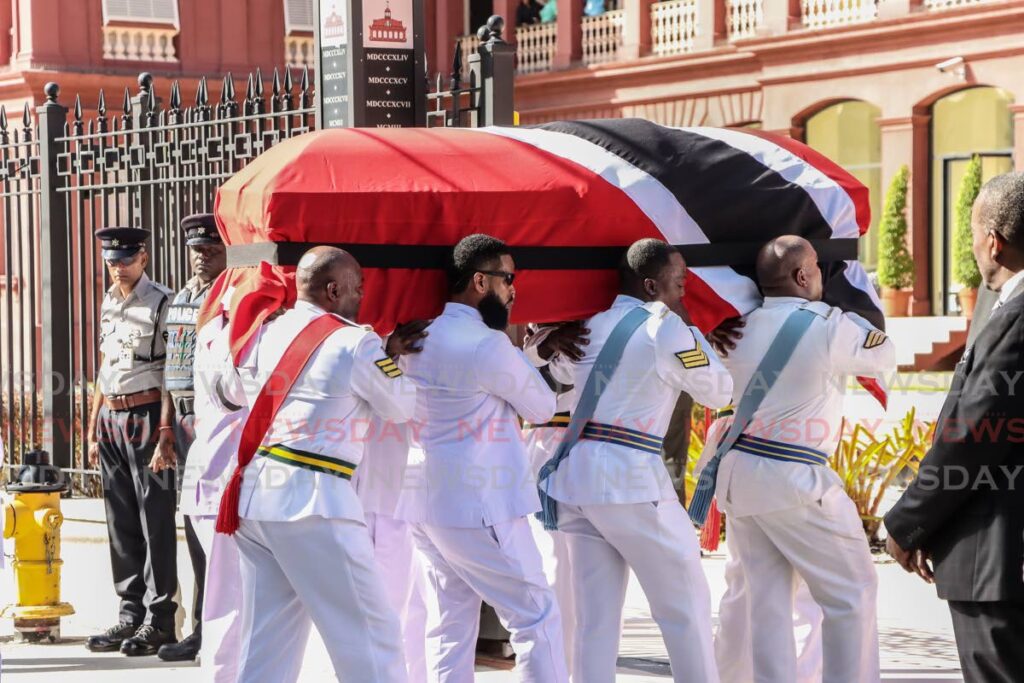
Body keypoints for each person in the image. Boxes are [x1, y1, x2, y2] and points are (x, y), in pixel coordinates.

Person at [214, 246, 419, 682]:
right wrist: (387, 354)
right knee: (372, 634)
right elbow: (401, 406)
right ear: (334, 290)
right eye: (358, 289)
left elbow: (226, 391)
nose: (361, 298)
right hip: (314, 502)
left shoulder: (262, 332)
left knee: (267, 642)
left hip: (256, 497)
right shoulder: (354, 341)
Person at [536, 238, 733, 683]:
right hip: (629, 481)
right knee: (685, 607)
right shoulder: (667, 327)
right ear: (651, 284)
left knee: (595, 623)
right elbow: (719, 391)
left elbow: (557, 375)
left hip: (576, 482)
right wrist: (693, 328)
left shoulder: (592, 323)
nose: (684, 291)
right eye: (678, 283)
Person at [705, 235, 893, 683]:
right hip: (795, 480)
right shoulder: (829, 325)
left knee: (766, 605)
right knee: (852, 593)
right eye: (818, 270)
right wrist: (846, 297)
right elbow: (884, 353)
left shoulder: (734, 329)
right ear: (803, 275)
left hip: (740, 478)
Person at [394, 233, 569, 682]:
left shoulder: (414, 337)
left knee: (449, 625)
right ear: (479, 281)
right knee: (536, 617)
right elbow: (543, 408)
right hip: (480, 505)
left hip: (423, 501)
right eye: (508, 278)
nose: (513, 290)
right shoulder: (488, 345)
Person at [884, 172, 1024, 681]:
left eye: (971, 235)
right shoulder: (1003, 305)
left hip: (1000, 561)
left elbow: (973, 433)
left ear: (993, 241)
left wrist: (907, 524)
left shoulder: (1016, 317)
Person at [85, 227, 178, 656]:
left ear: (142, 257)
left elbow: (169, 376)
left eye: (124, 260)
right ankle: (129, 613)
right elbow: (105, 365)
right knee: (120, 517)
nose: (117, 268)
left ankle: (160, 618)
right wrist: (92, 426)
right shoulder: (109, 301)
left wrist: (164, 432)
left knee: (153, 516)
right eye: (111, 261)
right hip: (111, 416)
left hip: (145, 414)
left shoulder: (162, 302)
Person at [149, 213, 226, 662]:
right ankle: (199, 628)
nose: (202, 258)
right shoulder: (183, 297)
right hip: (181, 419)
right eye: (197, 251)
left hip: (211, 419)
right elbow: (168, 373)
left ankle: (211, 629)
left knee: (214, 528)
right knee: (192, 525)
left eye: (211, 250)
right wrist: (165, 429)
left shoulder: (229, 296)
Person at [353, 318, 431, 683]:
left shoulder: (429, 349)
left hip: (404, 491)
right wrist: (387, 350)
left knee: (411, 608)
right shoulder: (361, 346)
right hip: (367, 496)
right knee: (375, 610)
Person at [521, 322, 589, 673]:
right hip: (547, 448)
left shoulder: (595, 326)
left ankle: (575, 663)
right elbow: (530, 367)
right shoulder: (533, 342)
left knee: (587, 569)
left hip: (589, 447)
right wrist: (545, 347)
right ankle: (558, 665)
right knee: (554, 564)